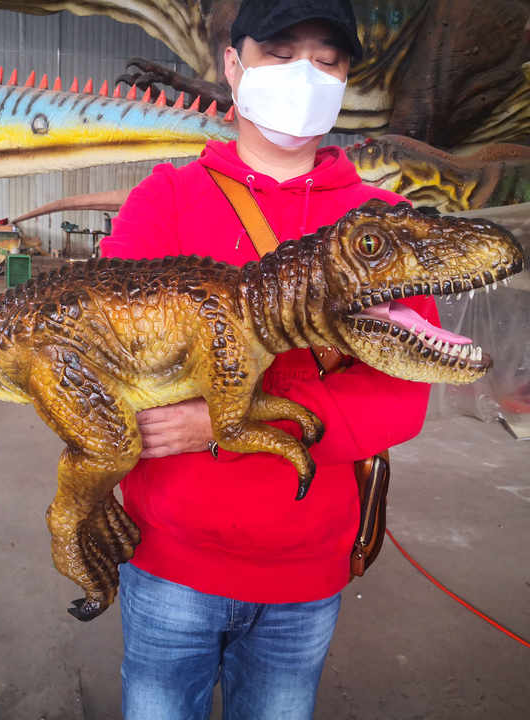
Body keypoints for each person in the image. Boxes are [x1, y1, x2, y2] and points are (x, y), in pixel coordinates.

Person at [100, 1, 439, 718]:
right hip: (170, 562)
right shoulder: (165, 201)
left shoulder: (383, 225)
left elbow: (401, 397)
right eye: (281, 53)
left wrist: (217, 421)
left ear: (344, 79)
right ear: (234, 64)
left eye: (326, 60)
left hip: (305, 569)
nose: (303, 74)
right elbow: (106, 356)